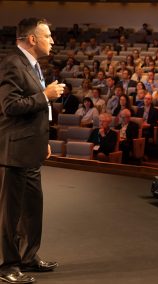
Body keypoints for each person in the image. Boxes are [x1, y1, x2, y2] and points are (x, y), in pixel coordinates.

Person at [0, 17, 64, 284]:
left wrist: (42, 141)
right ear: (32, 39)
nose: (52, 40)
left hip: (31, 148)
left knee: (32, 210)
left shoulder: (32, 64)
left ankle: (28, 257)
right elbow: (10, 106)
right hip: (13, 152)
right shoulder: (12, 64)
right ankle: (7, 267)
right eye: (48, 36)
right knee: (11, 213)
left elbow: (33, 113)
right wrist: (45, 96)